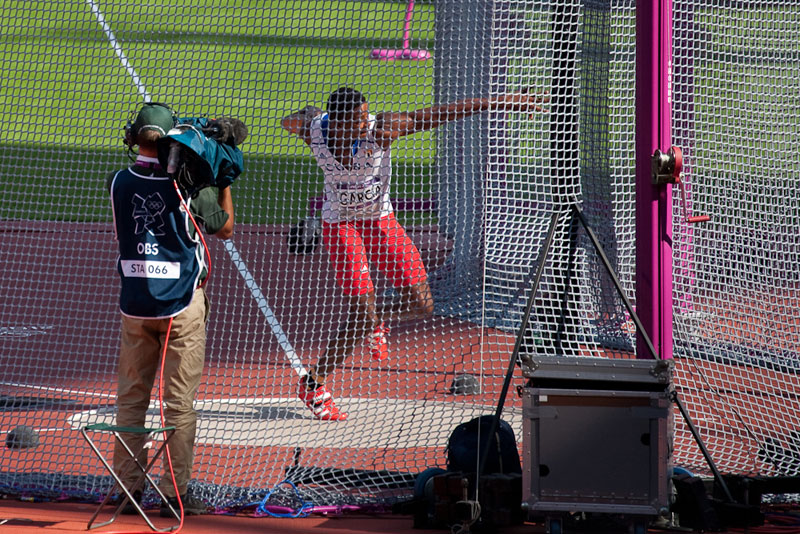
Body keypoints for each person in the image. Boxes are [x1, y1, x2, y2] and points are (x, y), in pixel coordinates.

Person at [282, 87, 546, 421]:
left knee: (422, 305)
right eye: (359, 119)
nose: (367, 122)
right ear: (337, 123)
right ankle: (313, 384)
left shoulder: (383, 130)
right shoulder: (315, 130)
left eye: (367, 115)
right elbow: (288, 121)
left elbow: (437, 113)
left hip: (379, 220)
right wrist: (305, 118)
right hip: (340, 225)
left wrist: (502, 101)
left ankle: (375, 321)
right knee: (359, 314)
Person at [106, 102, 236, 516]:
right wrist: (222, 179)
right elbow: (225, 226)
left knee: (131, 400)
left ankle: (127, 490)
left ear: (133, 138)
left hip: (135, 303)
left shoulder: (117, 182)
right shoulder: (187, 186)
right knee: (178, 404)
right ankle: (173, 493)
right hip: (181, 303)